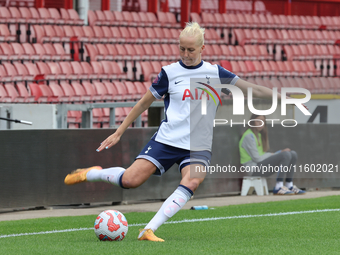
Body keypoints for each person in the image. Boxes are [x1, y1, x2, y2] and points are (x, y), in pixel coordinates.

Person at [64, 22, 298, 241]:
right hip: (167, 140)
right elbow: (143, 103)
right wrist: (119, 132)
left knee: (193, 180)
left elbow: (253, 89)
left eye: (191, 50)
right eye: (182, 49)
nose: (185, 54)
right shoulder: (169, 73)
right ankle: (92, 173)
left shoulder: (216, 74)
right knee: (130, 181)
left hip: (198, 145)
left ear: (202, 48)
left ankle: (149, 229)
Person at [239, 114, 306, 195]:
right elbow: (257, 159)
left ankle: (289, 184)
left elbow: (261, 155)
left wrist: (275, 154)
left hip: (259, 166)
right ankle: (278, 186)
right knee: (285, 155)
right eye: (258, 121)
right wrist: (275, 154)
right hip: (252, 169)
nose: (261, 124)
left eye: (263, 121)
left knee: (293, 154)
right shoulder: (248, 136)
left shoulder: (258, 135)